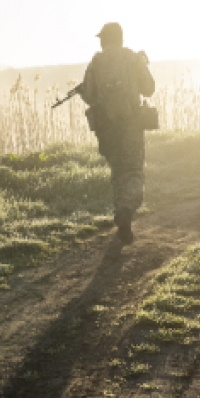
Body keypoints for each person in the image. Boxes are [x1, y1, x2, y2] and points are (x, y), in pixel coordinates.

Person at [78, 22, 156, 244]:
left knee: (118, 174)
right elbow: (149, 88)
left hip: (107, 129)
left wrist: (84, 91)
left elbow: (90, 95)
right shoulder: (132, 59)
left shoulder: (96, 62)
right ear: (120, 39)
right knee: (134, 172)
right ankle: (127, 210)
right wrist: (142, 64)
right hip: (131, 126)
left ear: (105, 40)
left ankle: (122, 219)